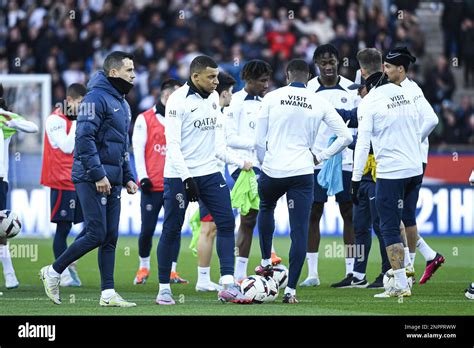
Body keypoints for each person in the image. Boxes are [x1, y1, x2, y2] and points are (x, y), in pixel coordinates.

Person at [40, 51, 139, 307]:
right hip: (89, 176)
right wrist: (98, 174)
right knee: (96, 232)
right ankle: (53, 271)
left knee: (110, 236)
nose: (134, 74)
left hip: (114, 179)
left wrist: (128, 176)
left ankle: (107, 294)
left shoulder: (123, 103)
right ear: (114, 72)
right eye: (129, 70)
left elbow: (122, 145)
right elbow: (83, 139)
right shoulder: (94, 98)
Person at [254, 59, 352, 303]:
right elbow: (346, 137)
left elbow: (258, 141)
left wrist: (265, 162)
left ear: (287, 75)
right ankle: (291, 292)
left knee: (266, 208)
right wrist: (320, 156)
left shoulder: (271, 98)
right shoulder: (319, 100)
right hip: (301, 172)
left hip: (273, 169)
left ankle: (266, 262)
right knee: (299, 231)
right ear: (308, 77)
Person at [156, 55, 251, 305]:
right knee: (172, 228)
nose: (216, 81)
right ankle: (164, 288)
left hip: (210, 172)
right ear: (195, 77)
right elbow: (173, 146)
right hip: (179, 174)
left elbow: (218, 143)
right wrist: (187, 179)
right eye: (211, 77)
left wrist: (240, 162)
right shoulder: (176, 101)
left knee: (227, 222)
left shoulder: (212, 98)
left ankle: (228, 284)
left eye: (217, 76)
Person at [351, 48, 424, 298]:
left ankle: (400, 284)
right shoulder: (405, 92)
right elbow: (426, 121)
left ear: (365, 83)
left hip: (391, 172)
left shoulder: (370, 102)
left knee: (389, 227)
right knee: (405, 220)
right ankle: (407, 273)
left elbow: (362, 144)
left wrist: (355, 178)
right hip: (415, 168)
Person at [383, 46, 444, 285]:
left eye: (388, 66)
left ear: (401, 68)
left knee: (403, 215)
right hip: (406, 158)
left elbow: (432, 119)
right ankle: (427, 257)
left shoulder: (411, 90)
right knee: (399, 215)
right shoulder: (395, 89)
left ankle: (407, 271)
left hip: (412, 159)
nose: (384, 70)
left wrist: (412, 140)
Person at [302, 44, 359, 288]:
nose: (328, 66)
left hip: (345, 159)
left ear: (338, 62)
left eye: (332, 61)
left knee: (349, 213)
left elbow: (358, 121)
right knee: (314, 213)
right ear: (316, 63)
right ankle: (312, 274)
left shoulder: (350, 88)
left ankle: (352, 272)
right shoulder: (308, 90)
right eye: (323, 62)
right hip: (316, 160)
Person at [224, 59, 282, 283]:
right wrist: (257, 143)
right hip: (243, 166)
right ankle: (240, 273)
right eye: (262, 80)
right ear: (247, 80)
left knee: (261, 213)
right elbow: (229, 138)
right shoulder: (234, 102)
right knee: (249, 218)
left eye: (268, 80)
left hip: (266, 165)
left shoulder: (267, 102)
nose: (266, 84)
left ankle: (265, 260)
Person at [195, 71, 252, 292]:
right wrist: (241, 162)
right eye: (232, 93)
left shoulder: (211, 111)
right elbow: (219, 150)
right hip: (209, 177)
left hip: (204, 175)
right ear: (225, 93)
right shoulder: (216, 114)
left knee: (211, 226)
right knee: (211, 228)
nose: (233, 97)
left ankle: (204, 278)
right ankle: (203, 279)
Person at [132, 78, 189, 285]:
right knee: (147, 229)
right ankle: (143, 267)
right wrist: (142, 177)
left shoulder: (183, 120)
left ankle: (172, 271)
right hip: (152, 184)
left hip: (174, 183)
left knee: (174, 228)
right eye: (168, 95)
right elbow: (138, 150)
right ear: (163, 95)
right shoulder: (144, 118)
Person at [41, 83, 87, 288]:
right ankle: (62, 273)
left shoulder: (76, 119)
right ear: (69, 101)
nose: (84, 108)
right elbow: (67, 146)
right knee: (63, 228)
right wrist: (79, 121)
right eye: (81, 104)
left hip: (79, 180)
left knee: (96, 225)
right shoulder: (54, 120)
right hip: (61, 181)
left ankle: (69, 261)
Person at [0, 83, 39, 290]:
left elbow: (33, 127)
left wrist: (8, 117)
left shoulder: (3, 118)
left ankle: (9, 274)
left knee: (0, 232)